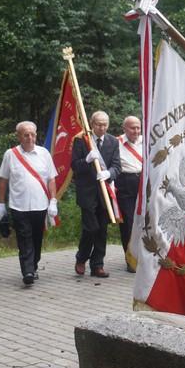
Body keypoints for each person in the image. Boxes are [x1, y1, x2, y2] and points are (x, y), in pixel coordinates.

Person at [0, 121, 58, 286]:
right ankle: (27, 271)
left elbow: (51, 179)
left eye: (32, 134)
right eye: (26, 135)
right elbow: (3, 180)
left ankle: (34, 265)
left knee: (36, 238)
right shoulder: (10, 154)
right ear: (19, 136)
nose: (30, 138)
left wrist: (53, 201)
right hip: (19, 206)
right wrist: (1, 205)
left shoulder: (44, 154)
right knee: (24, 238)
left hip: (40, 205)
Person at [71, 111, 122, 278]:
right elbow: (75, 166)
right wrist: (86, 160)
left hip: (104, 191)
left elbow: (117, 166)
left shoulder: (113, 141)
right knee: (91, 227)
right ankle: (82, 257)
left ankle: (97, 265)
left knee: (102, 229)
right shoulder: (81, 140)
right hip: (87, 191)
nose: (102, 127)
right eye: (99, 124)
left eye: (105, 124)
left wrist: (109, 173)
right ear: (92, 124)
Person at [116, 115, 143, 273]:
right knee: (128, 224)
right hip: (125, 183)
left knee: (145, 221)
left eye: (138, 127)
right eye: (132, 128)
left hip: (143, 183)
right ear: (124, 128)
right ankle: (130, 259)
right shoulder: (116, 143)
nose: (136, 131)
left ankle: (144, 257)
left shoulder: (146, 141)